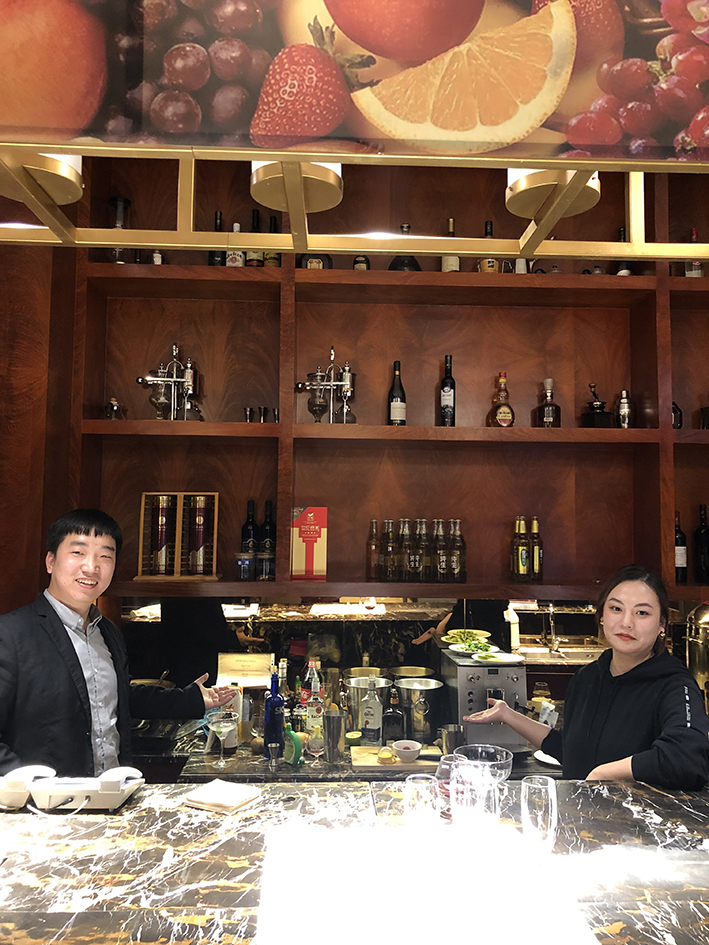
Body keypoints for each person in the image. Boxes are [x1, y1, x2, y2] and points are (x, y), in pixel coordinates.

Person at [0, 509, 235, 778]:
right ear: (50, 561)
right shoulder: (11, 635)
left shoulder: (107, 631)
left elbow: (117, 696)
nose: (91, 567)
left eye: (105, 556)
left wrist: (191, 700)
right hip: (45, 801)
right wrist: (30, 787)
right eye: (78, 552)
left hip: (113, 793)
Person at [464, 565, 709, 791]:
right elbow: (569, 750)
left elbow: (686, 759)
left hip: (637, 822)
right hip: (579, 819)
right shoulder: (586, 678)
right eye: (616, 609)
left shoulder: (675, 686)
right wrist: (508, 715)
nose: (626, 622)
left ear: (662, 624)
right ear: (602, 615)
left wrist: (605, 773)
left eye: (642, 613)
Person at [412, 599, 510, 650]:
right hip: (459, 644)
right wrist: (437, 632)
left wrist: (439, 631)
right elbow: (460, 609)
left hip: (490, 643)